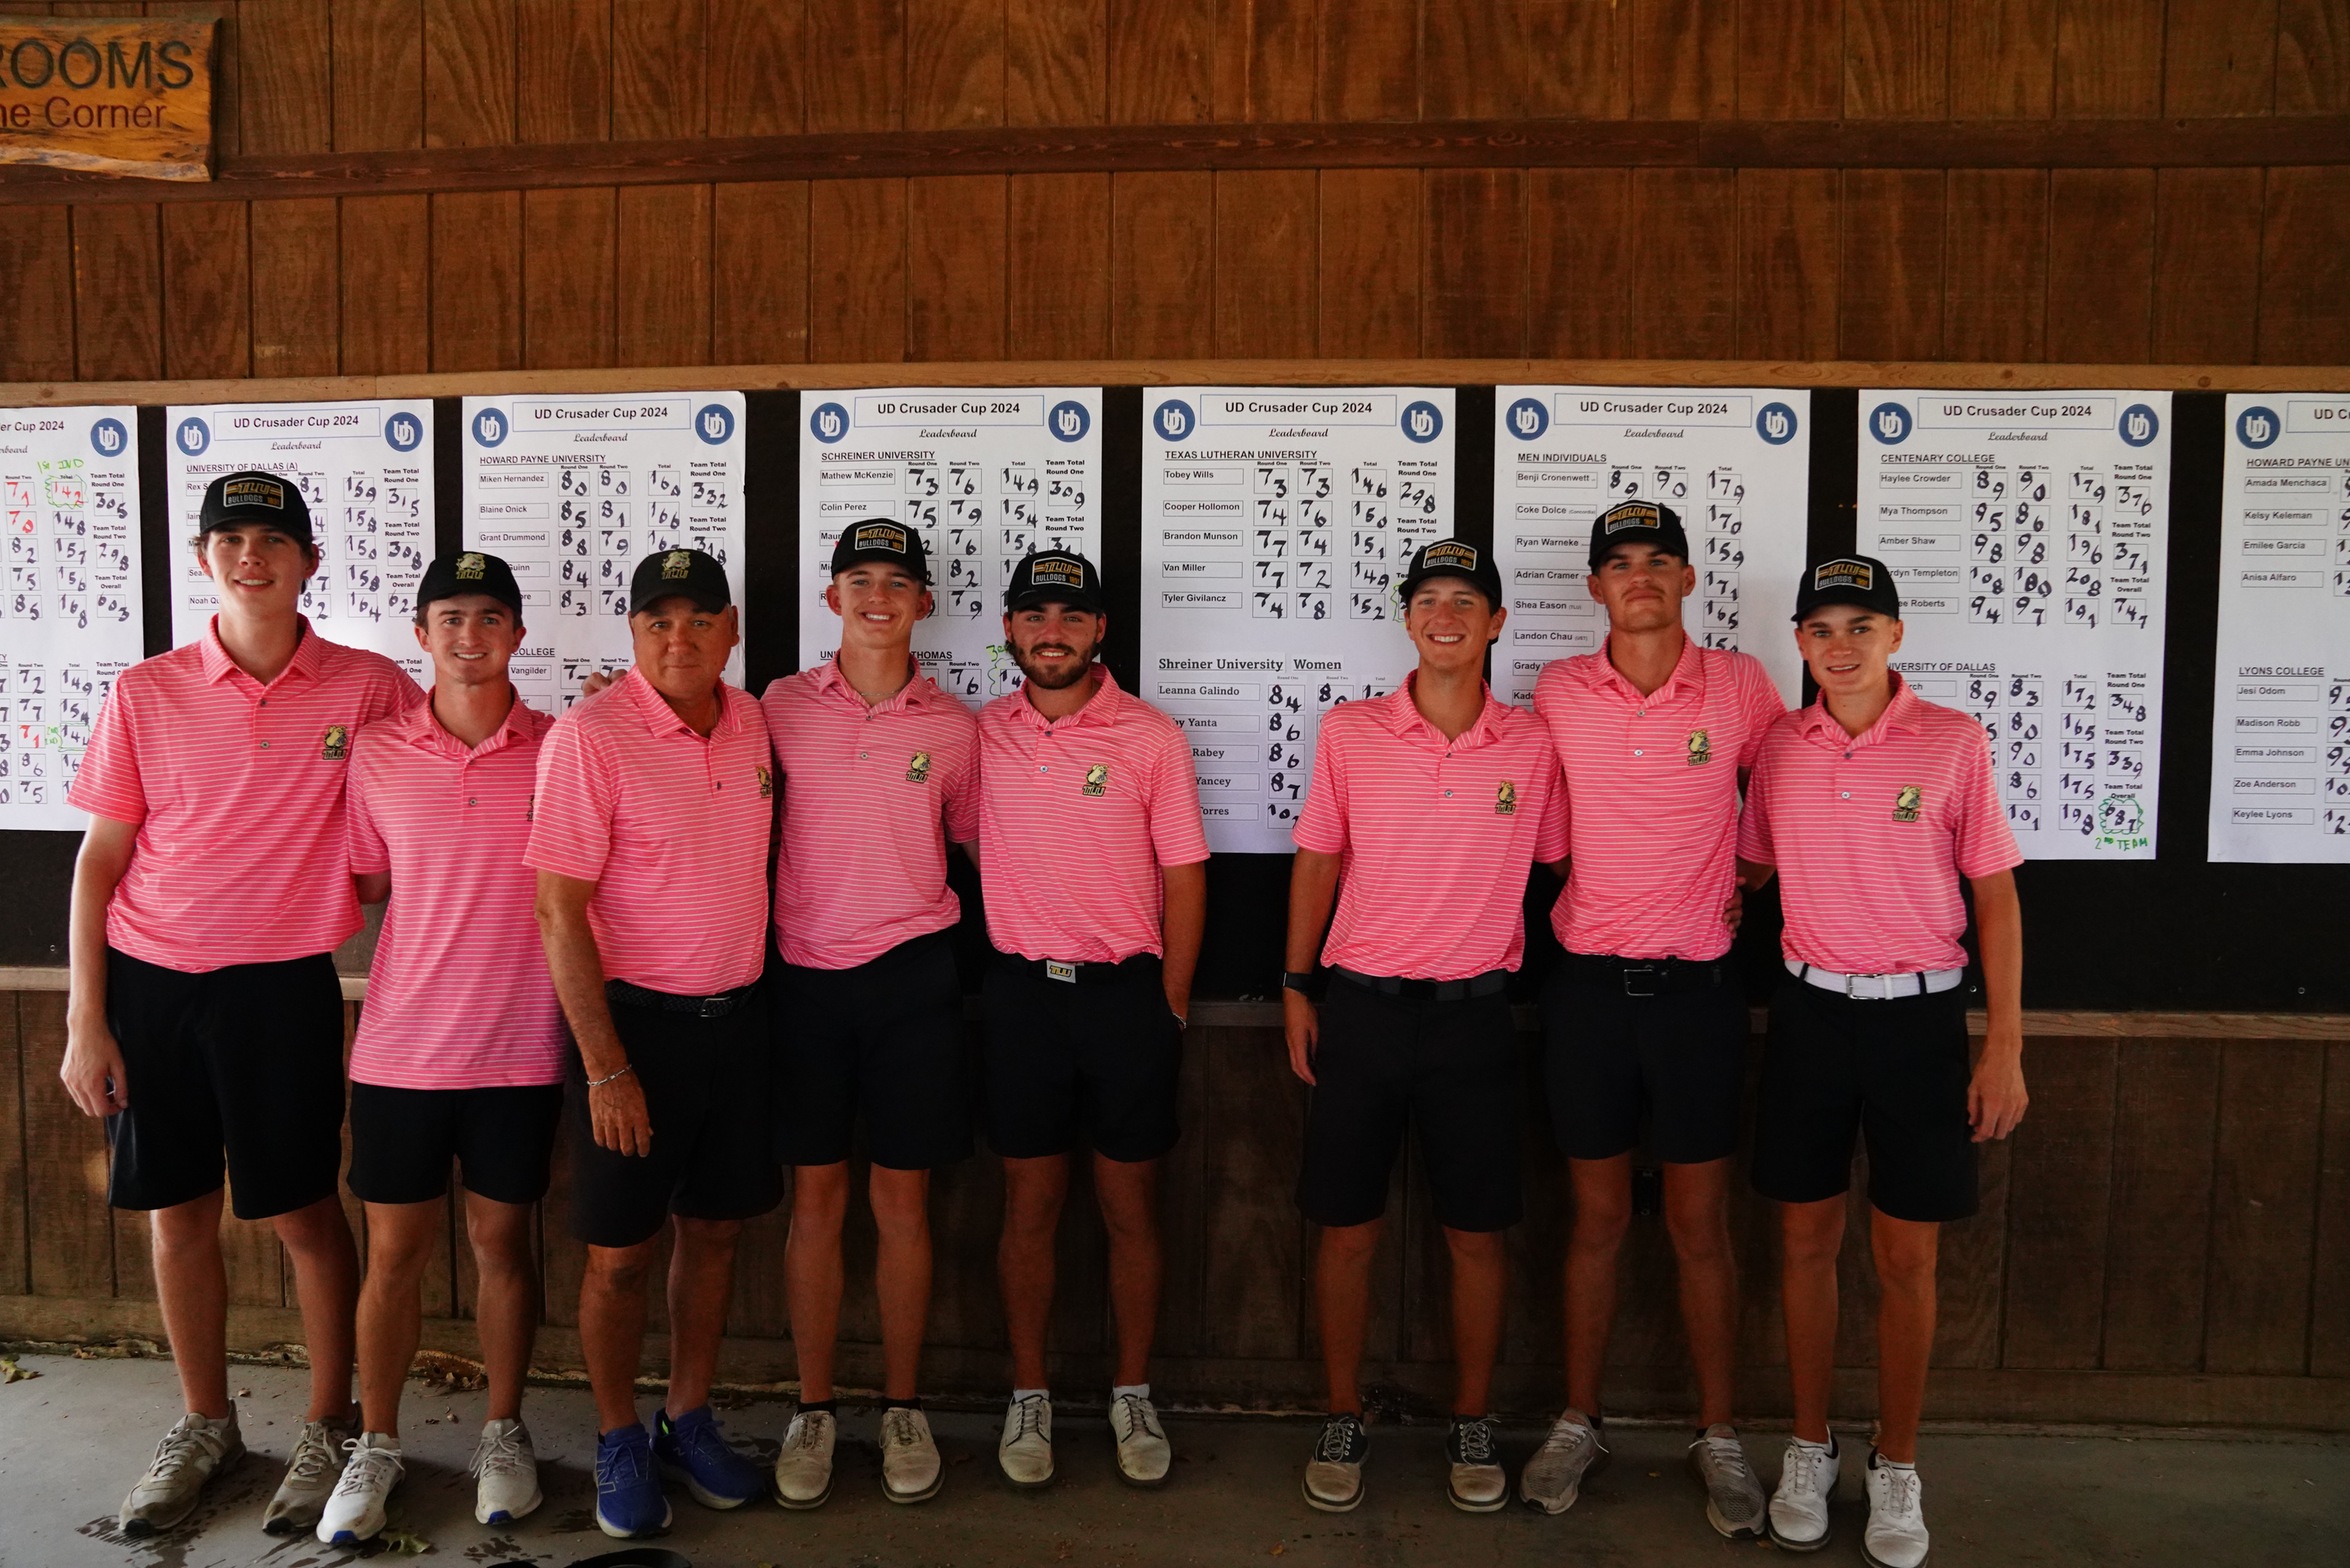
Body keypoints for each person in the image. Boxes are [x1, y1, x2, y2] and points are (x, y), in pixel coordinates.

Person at [60, 471, 422, 1537]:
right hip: (151, 982)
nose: (249, 553)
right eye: (229, 537)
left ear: (310, 560)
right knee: (179, 1213)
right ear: (202, 556)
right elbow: (98, 860)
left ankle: (328, 1421)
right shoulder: (147, 690)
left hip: (281, 989)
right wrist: (89, 1016)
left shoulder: (367, 687)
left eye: (273, 537)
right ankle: (204, 1420)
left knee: (304, 1210)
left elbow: (438, 777)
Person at [1735, 555, 2027, 1568]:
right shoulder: (1778, 745)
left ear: (1894, 637)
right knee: (1805, 1244)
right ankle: (1808, 1445)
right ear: (1802, 645)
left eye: (1862, 625)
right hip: (1810, 1015)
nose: (1842, 644)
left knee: (1906, 1257)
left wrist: (2005, 1046)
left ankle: (1895, 1460)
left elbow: (1993, 893)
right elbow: (1749, 862)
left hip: (1919, 1023)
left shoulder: (1951, 743)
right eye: (1821, 629)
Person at [1281, 539, 1567, 1515]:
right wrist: (1294, 983)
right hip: (1358, 1008)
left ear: (1494, 624)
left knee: (1475, 1236)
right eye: (1427, 598)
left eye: (1465, 600)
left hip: (1474, 1019)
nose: (1444, 613)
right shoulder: (1351, 731)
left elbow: (1571, 855)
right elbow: (1317, 859)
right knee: (1345, 1231)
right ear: (1407, 618)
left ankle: (1473, 1415)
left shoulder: (1532, 744)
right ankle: (1339, 1409)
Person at [1518, 501, 1786, 1533]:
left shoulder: (1740, 684)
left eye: (1656, 560)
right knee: (1590, 1218)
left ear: (1686, 578)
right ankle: (1578, 1417)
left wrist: (1749, 869)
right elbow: (1544, 829)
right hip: (1587, 990)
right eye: (1619, 563)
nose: (1638, 577)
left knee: (1696, 1224)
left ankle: (1717, 1433)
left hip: (1698, 995)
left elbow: (1786, 779)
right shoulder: (1559, 689)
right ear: (1594, 586)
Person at [526, 547, 778, 1539]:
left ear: (731, 629)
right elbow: (557, 911)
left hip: (741, 1023)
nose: (679, 638)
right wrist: (605, 1065)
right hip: (633, 1033)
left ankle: (686, 1412)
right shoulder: (591, 736)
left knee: (714, 1232)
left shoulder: (754, 719)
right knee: (620, 1255)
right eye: (657, 621)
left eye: (698, 619)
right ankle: (617, 1430)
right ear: (632, 633)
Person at [313, 553, 562, 1545]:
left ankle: (504, 1432)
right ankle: (375, 1441)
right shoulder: (373, 753)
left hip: (523, 1047)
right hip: (401, 1051)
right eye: (450, 616)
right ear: (422, 633)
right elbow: (364, 884)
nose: (470, 634)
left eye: (490, 615)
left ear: (516, 632)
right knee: (396, 1251)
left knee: (503, 1243)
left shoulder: (563, 746)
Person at [973, 550, 1207, 1490]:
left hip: (1126, 999)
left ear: (1101, 628)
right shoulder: (978, 733)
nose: (1053, 629)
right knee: (1029, 1204)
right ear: (1010, 630)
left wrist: (1173, 1003)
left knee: (1128, 1207)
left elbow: (1186, 877)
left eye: (1072, 614)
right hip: (1022, 997)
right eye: (1034, 614)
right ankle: (1028, 1395)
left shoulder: (1149, 736)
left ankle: (1130, 1391)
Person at [763, 521, 980, 1509]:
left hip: (912, 982)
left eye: (898, 581)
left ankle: (900, 1404)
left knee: (901, 1205)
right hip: (804, 979)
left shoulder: (954, 724)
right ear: (831, 595)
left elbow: (982, 839)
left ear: (924, 603)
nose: (878, 595)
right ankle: (812, 1407)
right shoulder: (775, 707)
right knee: (813, 1203)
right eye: (860, 578)